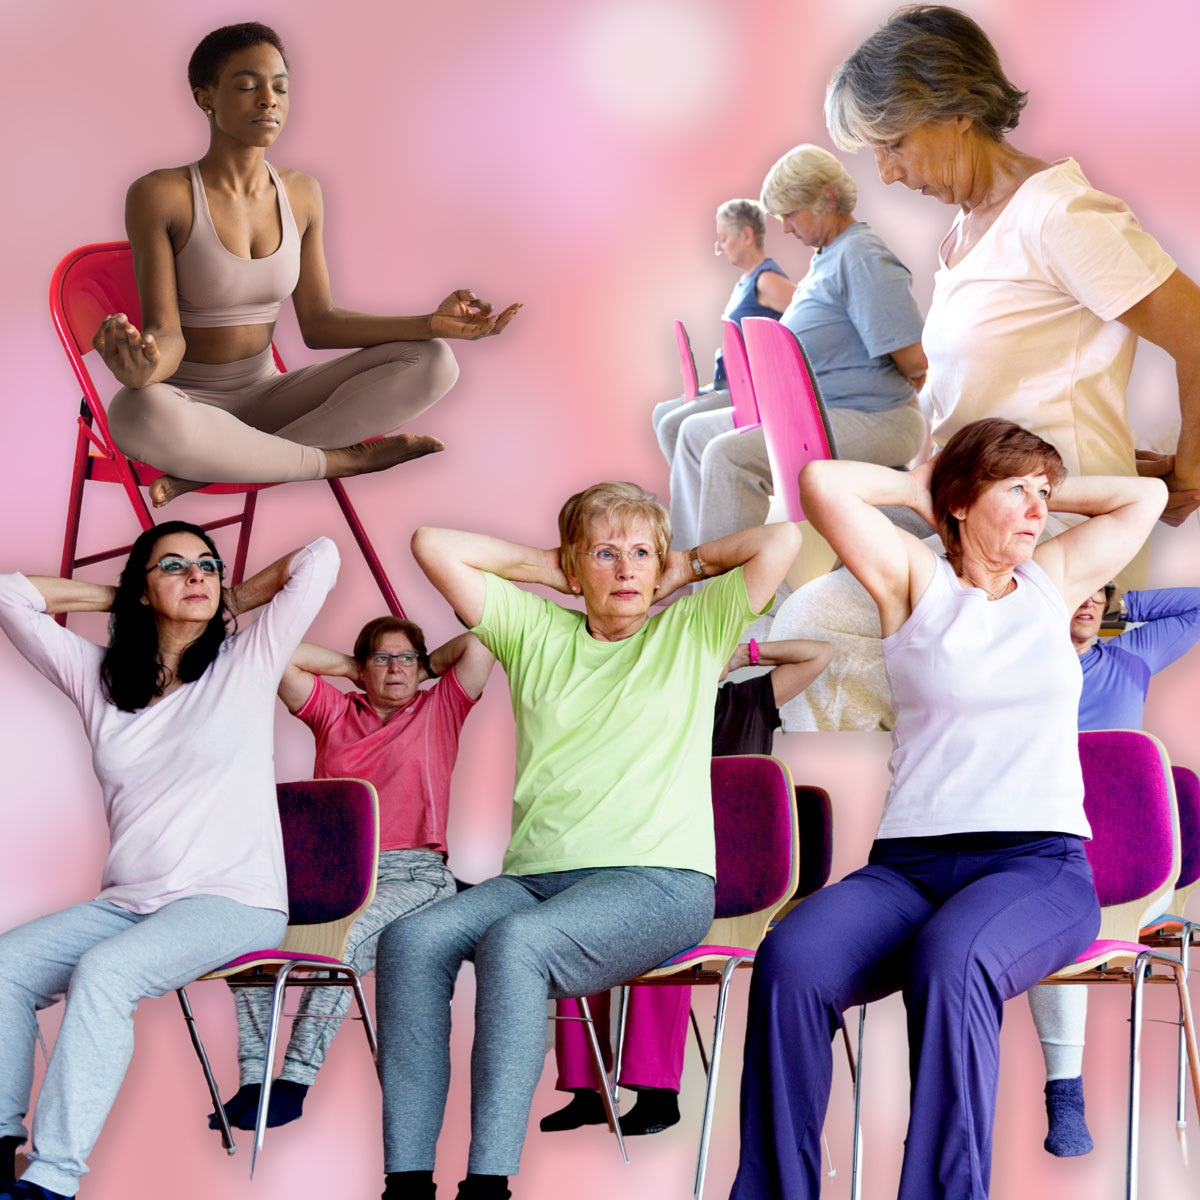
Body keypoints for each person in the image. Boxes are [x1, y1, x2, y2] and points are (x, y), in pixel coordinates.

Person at [731, 418, 1166, 1200]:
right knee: (791, 961)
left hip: (1037, 866)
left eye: (1045, 491)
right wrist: (927, 487)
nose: (1039, 509)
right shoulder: (913, 582)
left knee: (952, 959)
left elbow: (1147, 494)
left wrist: (1038, 485)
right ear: (961, 503)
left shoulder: (1055, 579)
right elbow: (821, 483)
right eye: (1017, 490)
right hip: (910, 870)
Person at [374, 483, 799, 1200]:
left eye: (641, 554)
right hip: (535, 879)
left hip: (659, 883)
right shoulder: (535, 631)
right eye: (606, 554)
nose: (628, 570)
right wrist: (550, 567)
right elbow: (434, 546)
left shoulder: (692, 631)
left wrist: (687, 564)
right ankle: (408, 1181)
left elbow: (780, 540)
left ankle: (489, 1184)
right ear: (577, 568)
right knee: (408, 943)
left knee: (517, 945)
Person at [0, 525, 339, 1200]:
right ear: (143, 588)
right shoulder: (99, 680)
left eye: (208, 566)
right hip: (128, 904)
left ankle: (53, 1179)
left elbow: (320, 557)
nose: (198, 576)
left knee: (105, 974)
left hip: (234, 902)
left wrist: (232, 594)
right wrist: (126, 596)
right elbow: (9, 596)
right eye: (176, 567)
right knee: (6, 967)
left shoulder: (247, 659)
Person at [96, 22, 519, 509]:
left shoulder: (302, 192)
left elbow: (319, 323)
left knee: (433, 359)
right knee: (135, 410)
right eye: (247, 85)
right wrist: (144, 369)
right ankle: (343, 460)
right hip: (189, 407)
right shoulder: (159, 194)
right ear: (204, 97)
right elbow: (167, 335)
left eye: (280, 87)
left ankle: (210, 473)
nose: (268, 100)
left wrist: (430, 323)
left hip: (270, 399)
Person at [824, 3, 1200, 533]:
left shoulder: (1058, 214)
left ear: (956, 111)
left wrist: (1189, 473)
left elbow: (1196, 332)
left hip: (1044, 530)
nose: (886, 174)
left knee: (823, 613)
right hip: (969, 497)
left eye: (893, 145)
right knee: (828, 539)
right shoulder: (965, 230)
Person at [207, 619, 495, 1132]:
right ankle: (255, 1080)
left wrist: (424, 667)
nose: (396, 669)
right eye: (382, 659)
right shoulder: (334, 712)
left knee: (342, 942)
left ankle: (293, 1083)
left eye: (406, 658)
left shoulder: (439, 708)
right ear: (362, 669)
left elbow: (479, 642)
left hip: (414, 874)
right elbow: (273, 652)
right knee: (244, 937)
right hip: (331, 873)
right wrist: (349, 669)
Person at [540, 636, 832, 1138]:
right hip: (642, 864)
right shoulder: (637, 715)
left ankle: (656, 1092)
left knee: (661, 919)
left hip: (724, 878)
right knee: (570, 929)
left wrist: (739, 655)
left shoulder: (747, 703)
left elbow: (818, 654)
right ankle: (586, 1090)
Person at [668, 144, 927, 551]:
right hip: (822, 410)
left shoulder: (861, 256)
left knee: (730, 456)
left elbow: (915, 361)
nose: (786, 228)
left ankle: (722, 605)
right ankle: (684, 569)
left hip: (877, 417)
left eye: (790, 213)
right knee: (692, 432)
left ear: (825, 197)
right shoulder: (827, 257)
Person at [1029, 582, 1200, 1156]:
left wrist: (1127, 605)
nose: (1086, 601)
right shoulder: (1021, 662)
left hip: (1130, 867)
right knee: (1048, 909)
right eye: (1073, 588)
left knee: (1064, 909)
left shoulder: (1132, 657)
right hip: (1049, 857)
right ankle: (1066, 1093)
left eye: (1097, 593)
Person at [652, 199, 793, 466]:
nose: (718, 247)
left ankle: (698, 500)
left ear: (747, 235)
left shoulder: (767, 280)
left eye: (724, 238)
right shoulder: (746, 281)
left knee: (672, 426)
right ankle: (698, 487)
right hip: (726, 383)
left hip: (747, 390)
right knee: (661, 414)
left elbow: (809, 315)